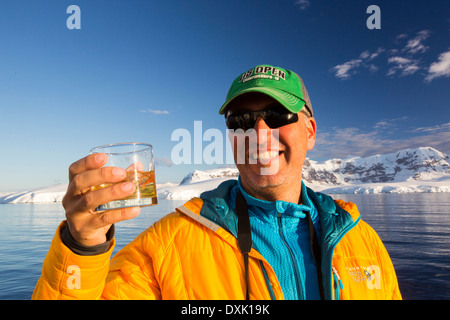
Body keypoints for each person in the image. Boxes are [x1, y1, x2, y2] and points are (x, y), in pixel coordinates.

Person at [32, 64, 402, 300]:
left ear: (310, 131)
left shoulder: (362, 241)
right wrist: (83, 245)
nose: (258, 132)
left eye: (276, 115)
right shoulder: (167, 246)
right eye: (241, 120)